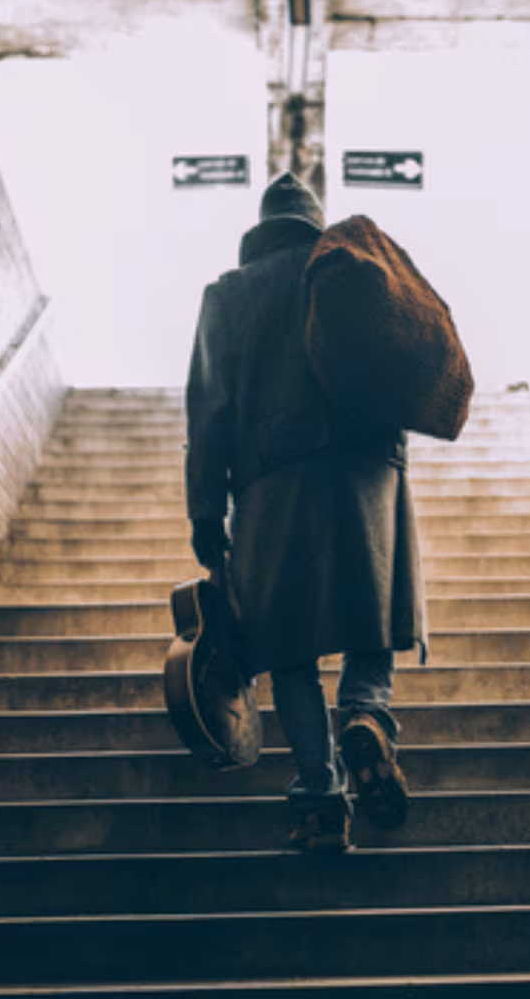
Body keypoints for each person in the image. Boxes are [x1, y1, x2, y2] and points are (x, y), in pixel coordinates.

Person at [184, 172, 424, 853]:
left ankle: (321, 798)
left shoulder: (228, 296)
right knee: (369, 617)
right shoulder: (347, 274)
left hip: (272, 483)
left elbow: (210, 410)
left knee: (287, 647)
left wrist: (207, 513)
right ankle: (369, 715)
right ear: (315, 226)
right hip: (369, 472)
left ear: (258, 233)